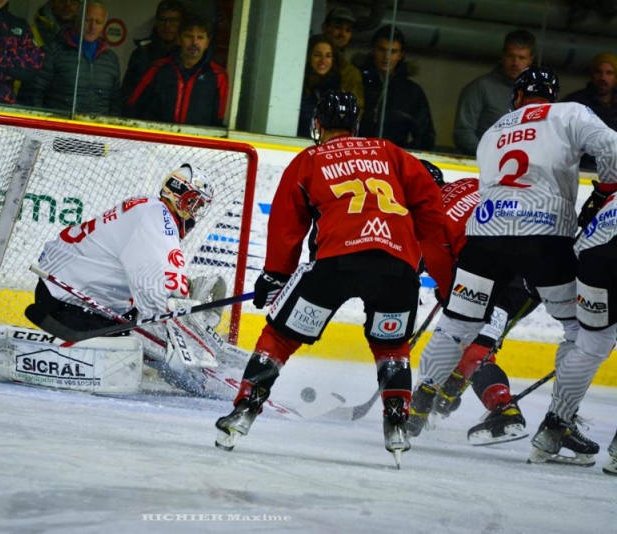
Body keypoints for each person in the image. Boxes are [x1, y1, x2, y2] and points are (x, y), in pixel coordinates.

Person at [213, 91, 445, 467]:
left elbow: (287, 226)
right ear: (356, 125)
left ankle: (244, 410)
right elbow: (431, 207)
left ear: (317, 124)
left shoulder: (309, 159)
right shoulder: (390, 151)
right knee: (392, 347)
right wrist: (419, 263)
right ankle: (398, 424)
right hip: (395, 268)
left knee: (280, 336)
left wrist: (275, 275)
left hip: (336, 264)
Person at [426, 66, 617, 466]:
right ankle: (557, 422)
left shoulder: (492, 131)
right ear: (553, 95)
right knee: (578, 332)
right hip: (546, 240)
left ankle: (415, 406)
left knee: (460, 323)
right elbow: (612, 149)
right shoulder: (569, 113)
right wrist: (604, 192)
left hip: (485, 240)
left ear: (515, 97)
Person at [26, 164, 219, 394]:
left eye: (199, 207)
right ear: (177, 197)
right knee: (151, 337)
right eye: (192, 203)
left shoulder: (148, 207)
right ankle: (200, 381)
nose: (194, 214)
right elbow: (157, 295)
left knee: (149, 324)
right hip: (69, 306)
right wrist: (185, 322)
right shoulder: (158, 218)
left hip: (62, 293)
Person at [405, 163, 540, 444]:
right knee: (480, 343)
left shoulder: (429, 219)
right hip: (538, 264)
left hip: (497, 272)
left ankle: (431, 403)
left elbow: (448, 288)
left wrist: (447, 296)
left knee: (465, 337)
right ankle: (456, 393)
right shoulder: (468, 183)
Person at [528, 174, 617, 467]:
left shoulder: (612, 199)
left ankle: (554, 428)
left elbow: (584, 235)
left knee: (587, 344)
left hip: (592, 262)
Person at [125, 14, 228, 127]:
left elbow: (219, 121)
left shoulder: (218, 76)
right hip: (157, 140)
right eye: (188, 36)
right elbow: (133, 107)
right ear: (178, 39)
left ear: (208, 41)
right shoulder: (157, 69)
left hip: (196, 142)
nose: (194, 42)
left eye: (200, 37)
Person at [20, 0, 120, 116]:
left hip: (96, 131)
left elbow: (115, 103)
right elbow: (33, 92)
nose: (93, 27)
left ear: (104, 26)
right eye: (88, 20)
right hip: (58, 129)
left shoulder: (111, 60)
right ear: (77, 20)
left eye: (98, 22)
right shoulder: (54, 52)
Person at [453, 29, 535, 156]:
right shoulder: (480, 88)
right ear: (503, 56)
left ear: (530, 60)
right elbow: (463, 133)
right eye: (510, 56)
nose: (515, 63)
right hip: (485, 168)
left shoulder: (538, 94)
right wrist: (491, 157)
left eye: (522, 58)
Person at [358, 25, 435, 151]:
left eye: (393, 51)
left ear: (400, 55)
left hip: (393, 164)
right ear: (373, 50)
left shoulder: (412, 91)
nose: (386, 57)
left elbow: (426, 137)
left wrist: (401, 157)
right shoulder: (358, 81)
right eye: (381, 49)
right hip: (357, 159)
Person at [121, 0, 186, 107]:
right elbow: (126, 94)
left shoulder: (187, 56)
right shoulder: (141, 54)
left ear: (181, 24)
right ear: (156, 23)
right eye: (162, 20)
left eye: (173, 20)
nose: (167, 25)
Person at [562, 52, 617, 169]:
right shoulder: (575, 102)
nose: (603, 78)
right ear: (592, 74)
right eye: (599, 72)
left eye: (609, 73)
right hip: (580, 170)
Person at [320, 7, 364, 114]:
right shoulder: (308, 62)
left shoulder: (351, 74)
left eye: (348, 30)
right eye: (338, 27)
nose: (342, 34)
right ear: (325, 28)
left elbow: (355, 112)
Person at [297, 35, 341, 138]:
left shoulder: (335, 85)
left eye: (328, 56)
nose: (323, 60)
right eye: (317, 55)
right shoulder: (299, 85)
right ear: (308, 56)